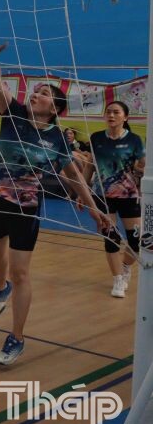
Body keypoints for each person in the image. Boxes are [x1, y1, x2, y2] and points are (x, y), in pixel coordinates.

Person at [0, 43, 110, 365]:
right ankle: (0, 287)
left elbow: (75, 176)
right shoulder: (13, 115)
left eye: (43, 93)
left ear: (55, 107)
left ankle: (17, 337)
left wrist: (95, 210)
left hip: (26, 208)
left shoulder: (57, 139)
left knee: (21, 272)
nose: (35, 95)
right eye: (35, 91)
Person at [80, 101, 144, 298]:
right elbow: (89, 166)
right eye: (108, 112)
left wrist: (140, 172)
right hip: (102, 195)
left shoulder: (134, 140)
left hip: (129, 195)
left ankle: (125, 266)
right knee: (111, 238)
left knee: (137, 241)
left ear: (125, 117)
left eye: (116, 112)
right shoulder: (96, 138)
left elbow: (142, 165)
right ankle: (117, 279)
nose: (111, 115)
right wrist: (82, 192)